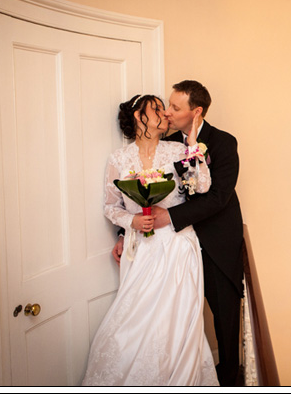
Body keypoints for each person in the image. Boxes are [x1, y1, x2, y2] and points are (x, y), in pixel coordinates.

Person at [112, 81, 245, 386]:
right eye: (166, 106)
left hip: (214, 245)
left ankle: (227, 380)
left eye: (174, 107)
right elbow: (139, 194)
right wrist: (124, 233)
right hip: (170, 247)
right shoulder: (168, 143)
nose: (168, 113)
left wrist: (168, 217)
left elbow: (216, 198)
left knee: (224, 321)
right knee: (173, 319)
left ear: (196, 112)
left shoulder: (224, 143)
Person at [83, 94, 218, 386]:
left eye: (163, 109)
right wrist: (131, 221)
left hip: (177, 246)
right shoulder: (119, 158)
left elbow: (203, 185)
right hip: (140, 250)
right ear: (137, 117)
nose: (164, 114)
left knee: (176, 321)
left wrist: (193, 146)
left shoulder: (176, 150)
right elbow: (110, 206)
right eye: (155, 109)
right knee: (132, 317)